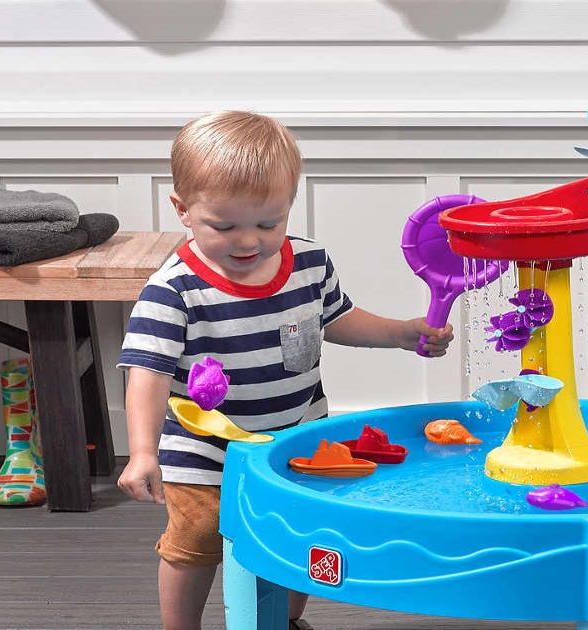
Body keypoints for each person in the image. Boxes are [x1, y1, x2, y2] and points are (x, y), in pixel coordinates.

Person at [116, 110, 454, 630]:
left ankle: (285, 621)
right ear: (182, 210)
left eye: (268, 223)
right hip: (204, 451)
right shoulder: (173, 289)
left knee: (295, 534)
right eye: (224, 226)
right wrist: (141, 452)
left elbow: (338, 319)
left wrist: (401, 333)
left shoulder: (311, 263)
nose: (248, 241)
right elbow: (148, 373)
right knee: (197, 540)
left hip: (295, 438)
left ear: (290, 204)